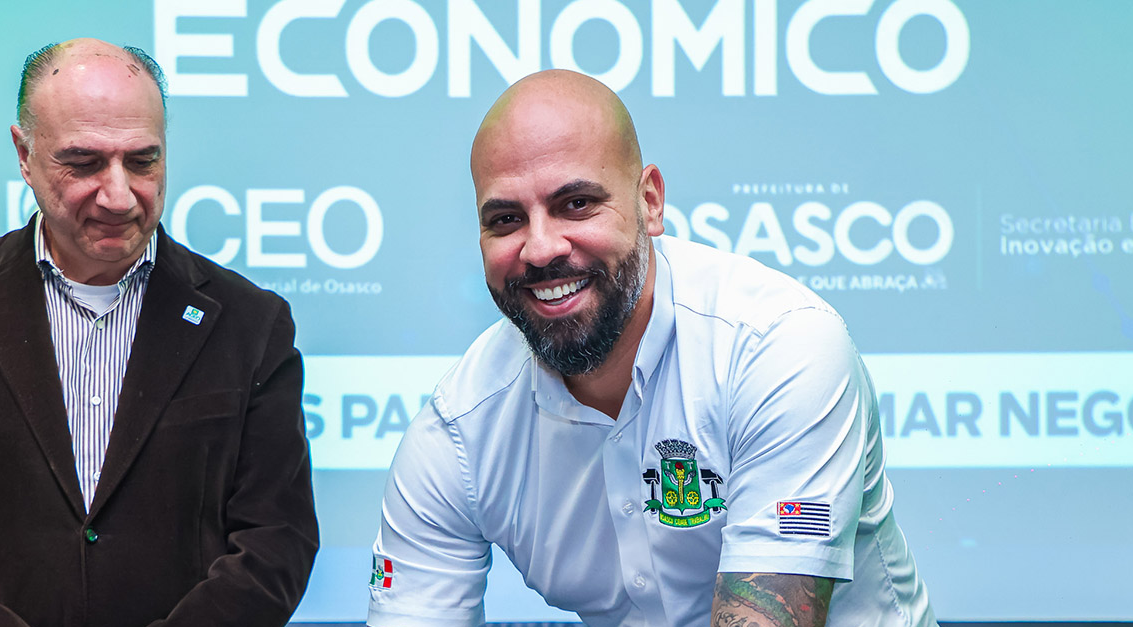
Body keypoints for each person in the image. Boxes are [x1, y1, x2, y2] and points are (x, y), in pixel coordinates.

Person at [368, 70, 936, 627]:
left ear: (650, 202)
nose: (539, 249)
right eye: (506, 219)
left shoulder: (778, 347)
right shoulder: (461, 429)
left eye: (576, 204)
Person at [0, 39, 318, 626]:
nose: (119, 195)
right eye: (84, 162)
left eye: (143, 161)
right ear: (24, 155)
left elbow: (278, 540)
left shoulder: (250, 324)